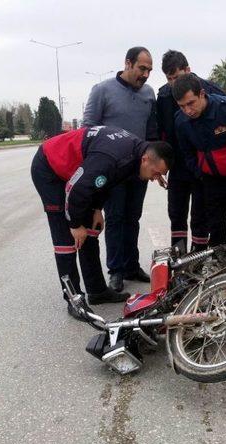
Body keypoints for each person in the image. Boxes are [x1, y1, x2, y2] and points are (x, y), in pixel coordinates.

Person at [31, 125, 173, 320]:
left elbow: (106, 181)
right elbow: (77, 189)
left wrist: (96, 208)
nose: (154, 179)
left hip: (80, 175)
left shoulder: (133, 154)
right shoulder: (112, 156)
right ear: (146, 159)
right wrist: (74, 225)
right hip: (51, 169)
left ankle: (97, 291)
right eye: (156, 173)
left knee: (90, 233)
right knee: (66, 241)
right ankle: (74, 300)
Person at [83, 46, 158, 292]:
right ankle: (115, 270)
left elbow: (150, 133)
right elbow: (87, 131)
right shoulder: (102, 91)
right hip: (112, 171)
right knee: (115, 218)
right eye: (141, 68)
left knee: (132, 218)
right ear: (128, 63)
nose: (145, 74)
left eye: (149, 70)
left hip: (139, 170)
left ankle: (131, 265)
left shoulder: (149, 94)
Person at [173, 74, 226, 247]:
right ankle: (219, 266)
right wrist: (201, 173)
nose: (188, 110)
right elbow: (187, 153)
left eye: (191, 103)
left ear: (202, 94)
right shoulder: (181, 121)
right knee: (217, 227)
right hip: (212, 179)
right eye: (182, 106)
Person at [156, 50, 226, 252]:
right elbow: (160, 132)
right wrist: (160, 166)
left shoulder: (210, 90)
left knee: (200, 216)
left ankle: (198, 258)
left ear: (188, 70)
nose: (173, 83)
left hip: (202, 165)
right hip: (177, 166)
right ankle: (179, 261)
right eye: (169, 79)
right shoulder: (163, 95)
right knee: (176, 214)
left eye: (176, 77)